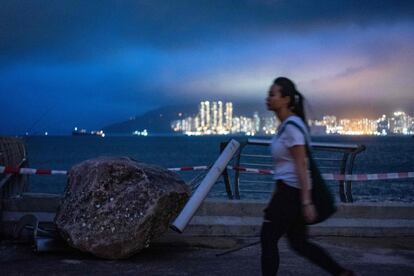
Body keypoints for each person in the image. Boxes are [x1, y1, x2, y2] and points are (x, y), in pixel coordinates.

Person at [261, 77, 355, 276]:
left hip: (291, 193)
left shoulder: (292, 127)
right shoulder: (286, 126)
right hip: (287, 190)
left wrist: (306, 202)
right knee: (298, 243)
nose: (267, 98)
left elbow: (302, 165)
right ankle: (341, 273)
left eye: (272, 94)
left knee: (268, 238)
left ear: (286, 99)